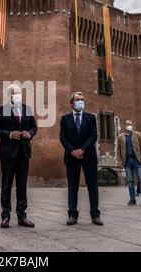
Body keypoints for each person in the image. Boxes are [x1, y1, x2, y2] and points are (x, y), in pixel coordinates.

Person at [0, 84, 38, 229]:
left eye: (18, 92)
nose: (17, 94)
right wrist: (10, 134)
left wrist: (29, 133)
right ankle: (5, 216)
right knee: (6, 185)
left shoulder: (26, 109)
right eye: (14, 93)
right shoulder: (1, 109)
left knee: (22, 185)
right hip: (7, 153)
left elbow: (34, 127)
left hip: (24, 152)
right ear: (8, 95)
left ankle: (22, 216)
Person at [59, 92, 104, 226]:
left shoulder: (91, 118)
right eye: (78, 100)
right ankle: (72, 215)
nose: (80, 102)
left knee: (92, 186)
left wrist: (82, 150)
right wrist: (72, 150)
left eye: (82, 99)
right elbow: (62, 136)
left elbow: (93, 135)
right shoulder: (65, 118)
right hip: (71, 157)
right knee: (73, 187)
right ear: (72, 103)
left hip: (88, 155)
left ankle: (95, 215)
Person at [117, 120, 141, 207]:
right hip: (127, 161)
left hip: (137, 160)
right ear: (124, 125)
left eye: (131, 124)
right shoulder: (120, 137)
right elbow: (118, 150)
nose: (129, 126)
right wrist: (119, 161)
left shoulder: (137, 134)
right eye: (128, 124)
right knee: (130, 181)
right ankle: (132, 199)